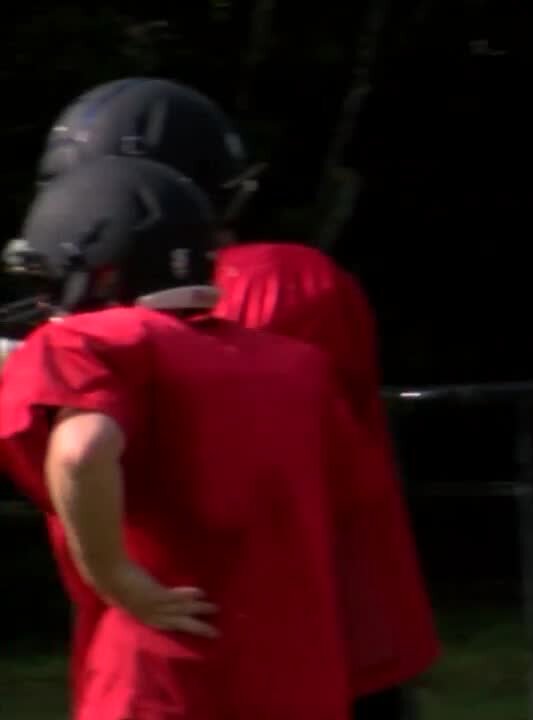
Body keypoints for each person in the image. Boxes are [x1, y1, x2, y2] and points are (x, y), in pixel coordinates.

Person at [33, 76, 440, 719]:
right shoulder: (112, 330)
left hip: (297, 635)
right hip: (205, 635)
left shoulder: (273, 283)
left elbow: (216, 433)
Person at [0, 155, 353, 718]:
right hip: (294, 671)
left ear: (99, 266)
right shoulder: (296, 365)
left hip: (164, 669)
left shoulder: (97, 343)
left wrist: (113, 573)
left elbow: (81, 450)